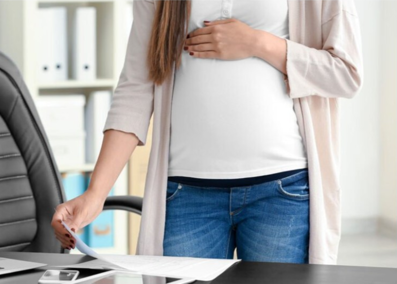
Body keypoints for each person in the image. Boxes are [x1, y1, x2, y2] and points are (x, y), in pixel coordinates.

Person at [52, 0, 363, 264]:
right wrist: (96, 193)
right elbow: (136, 87)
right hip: (187, 195)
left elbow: (346, 73)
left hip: (281, 191)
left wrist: (258, 43)